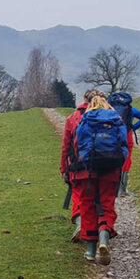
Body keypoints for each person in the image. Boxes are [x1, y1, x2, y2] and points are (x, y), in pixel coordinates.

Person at [70, 92, 128, 265]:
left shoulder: (86, 119)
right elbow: (124, 146)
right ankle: (104, 238)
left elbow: (76, 144)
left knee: (88, 207)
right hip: (110, 171)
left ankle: (90, 251)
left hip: (89, 171)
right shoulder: (117, 120)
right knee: (106, 206)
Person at [61, 90, 95, 241]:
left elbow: (65, 146)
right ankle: (99, 231)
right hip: (99, 165)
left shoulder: (73, 117)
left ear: (83, 99)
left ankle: (81, 224)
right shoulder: (106, 116)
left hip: (77, 165)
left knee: (77, 195)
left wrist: (63, 167)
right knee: (97, 197)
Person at [108, 92, 140, 196]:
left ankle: (112, 188)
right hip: (127, 135)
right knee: (126, 159)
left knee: (112, 158)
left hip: (112, 135)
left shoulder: (110, 108)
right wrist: (133, 127)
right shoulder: (130, 109)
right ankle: (122, 189)